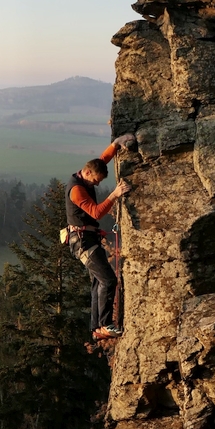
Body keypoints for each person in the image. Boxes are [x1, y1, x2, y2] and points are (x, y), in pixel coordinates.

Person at [65, 134, 136, 338]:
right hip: (83, 243)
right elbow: (95, 212)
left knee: (98, 282)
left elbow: (101, 161)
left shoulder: (86, 175)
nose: (96, 184)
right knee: (108, 280)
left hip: (87, 239)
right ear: (87, 173)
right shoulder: (76, 190)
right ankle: (105, 325)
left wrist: (115, 145)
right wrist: (114, 195)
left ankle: (97, 329)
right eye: (96, 180)